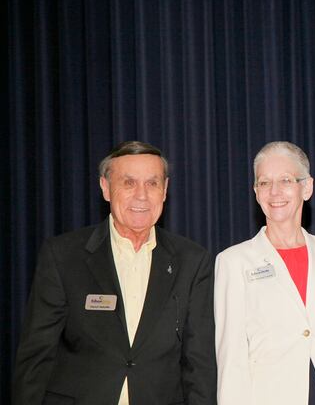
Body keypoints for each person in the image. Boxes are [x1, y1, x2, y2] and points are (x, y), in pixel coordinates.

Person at [12, 141, 216, 405]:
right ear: (106, 188)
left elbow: (199, 365)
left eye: (152, 183)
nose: (141, 195)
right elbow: (36, 357)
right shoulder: (63, 255)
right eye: (129, 183)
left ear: (165, 190)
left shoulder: (192, 261)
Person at [214, 141, 315, 405]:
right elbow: (231, 357)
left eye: (285, 180)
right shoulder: (233, 262)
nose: (274, 191)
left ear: (307, 187)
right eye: (264, 183)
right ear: (256, 192)